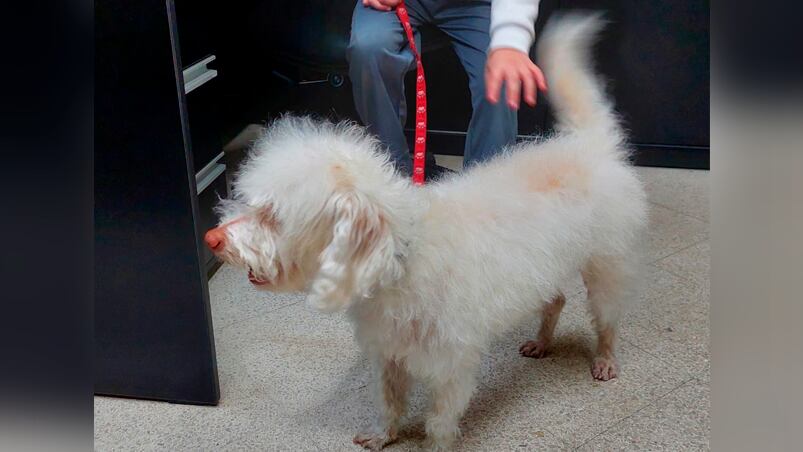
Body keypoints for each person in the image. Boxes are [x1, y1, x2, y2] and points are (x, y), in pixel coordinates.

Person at [347, 0, 546, 179]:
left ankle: (486, 192)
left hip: (476, 5)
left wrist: (510, 41)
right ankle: (390, 175)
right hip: (401, 3)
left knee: (501, 77)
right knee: (369, 48)